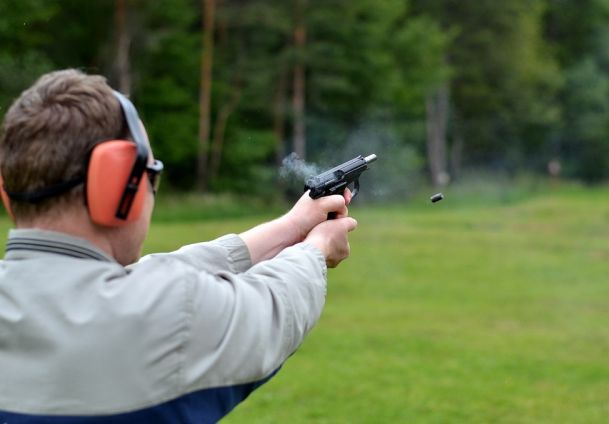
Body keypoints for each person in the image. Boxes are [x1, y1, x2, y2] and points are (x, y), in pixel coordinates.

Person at [0, 69, 358, 423]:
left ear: (8, 192)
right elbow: (273, 308)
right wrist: (316, 249)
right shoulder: (162, 314)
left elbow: (144, 277)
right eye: (150, 173)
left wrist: (291, 227)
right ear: (120, 187)